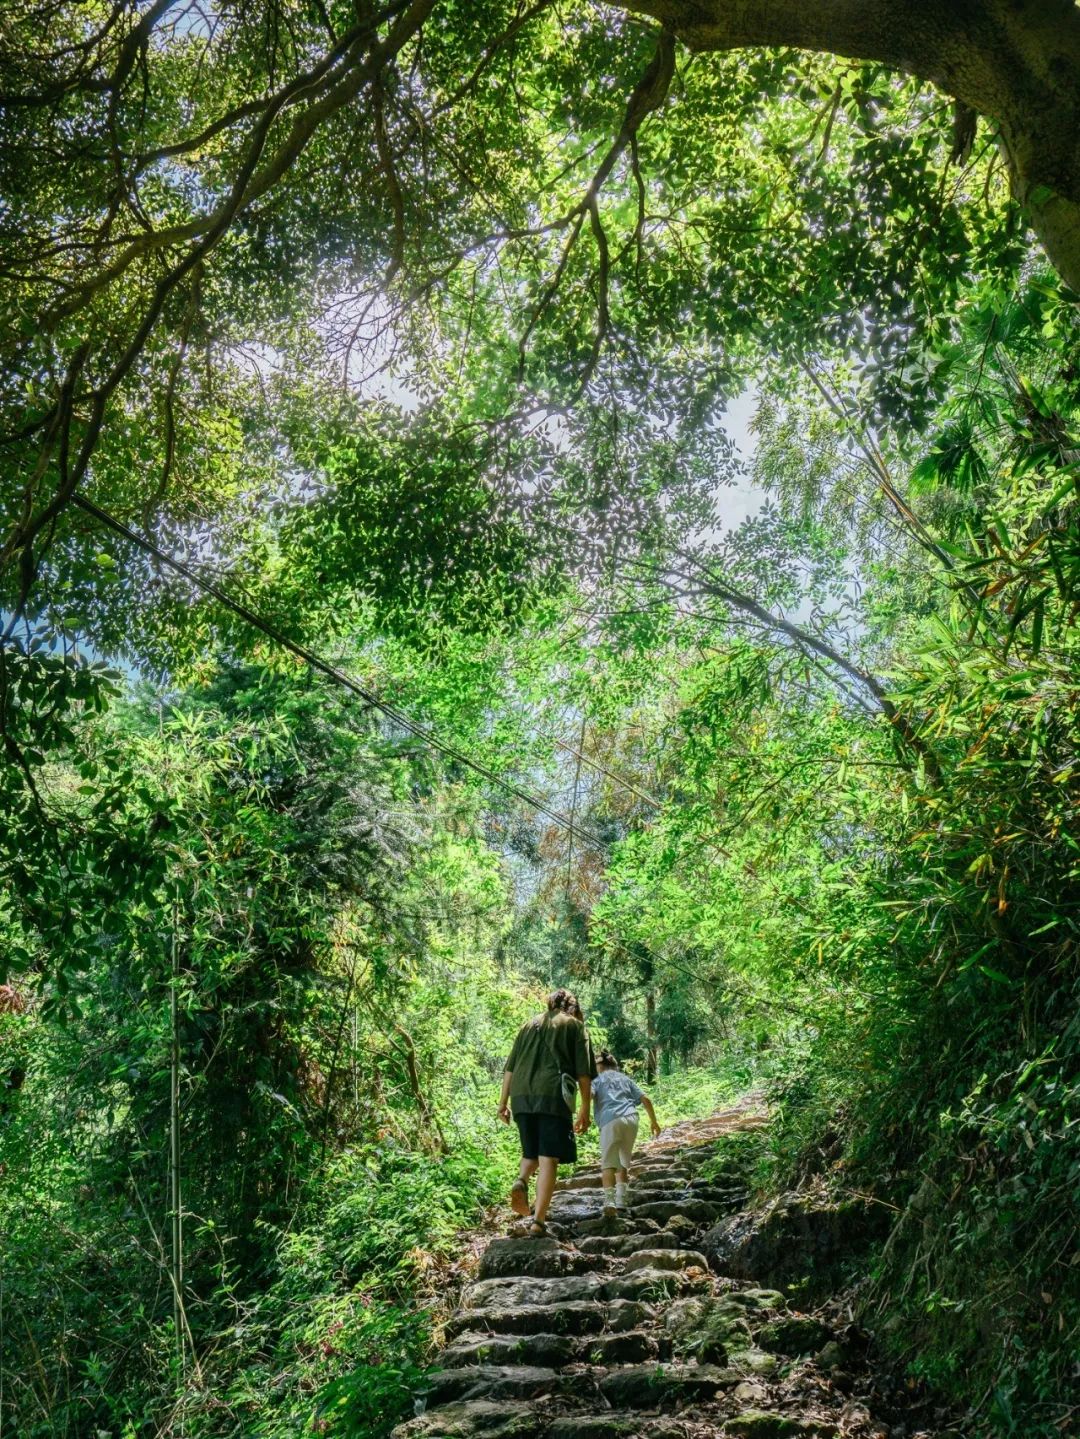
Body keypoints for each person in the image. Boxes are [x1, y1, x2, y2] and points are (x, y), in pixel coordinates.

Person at [498, 989, 592, 1236]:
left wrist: (502, 1103)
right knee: (549, 1158)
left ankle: (521, 1180)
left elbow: (510, 1068)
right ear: (573, 1006)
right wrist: (585, 1108)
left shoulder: (528, 1025)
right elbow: (583, 1072)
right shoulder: (575, 1026)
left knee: (531, 1152)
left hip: (521, 1097)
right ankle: (538, 1222)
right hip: (552, 1097)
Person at [591, 1049, 661, 1216]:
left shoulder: (597, 1080)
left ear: (599, 1066)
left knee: (608, 1162)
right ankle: (622, 1200)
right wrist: (654, 1122)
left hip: (610, 1120)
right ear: (614, 1066)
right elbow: (646, 1099)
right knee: (622, 1160)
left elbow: (590, 1094)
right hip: (631, 1119)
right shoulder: (625, 1078)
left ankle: (609, 1201)